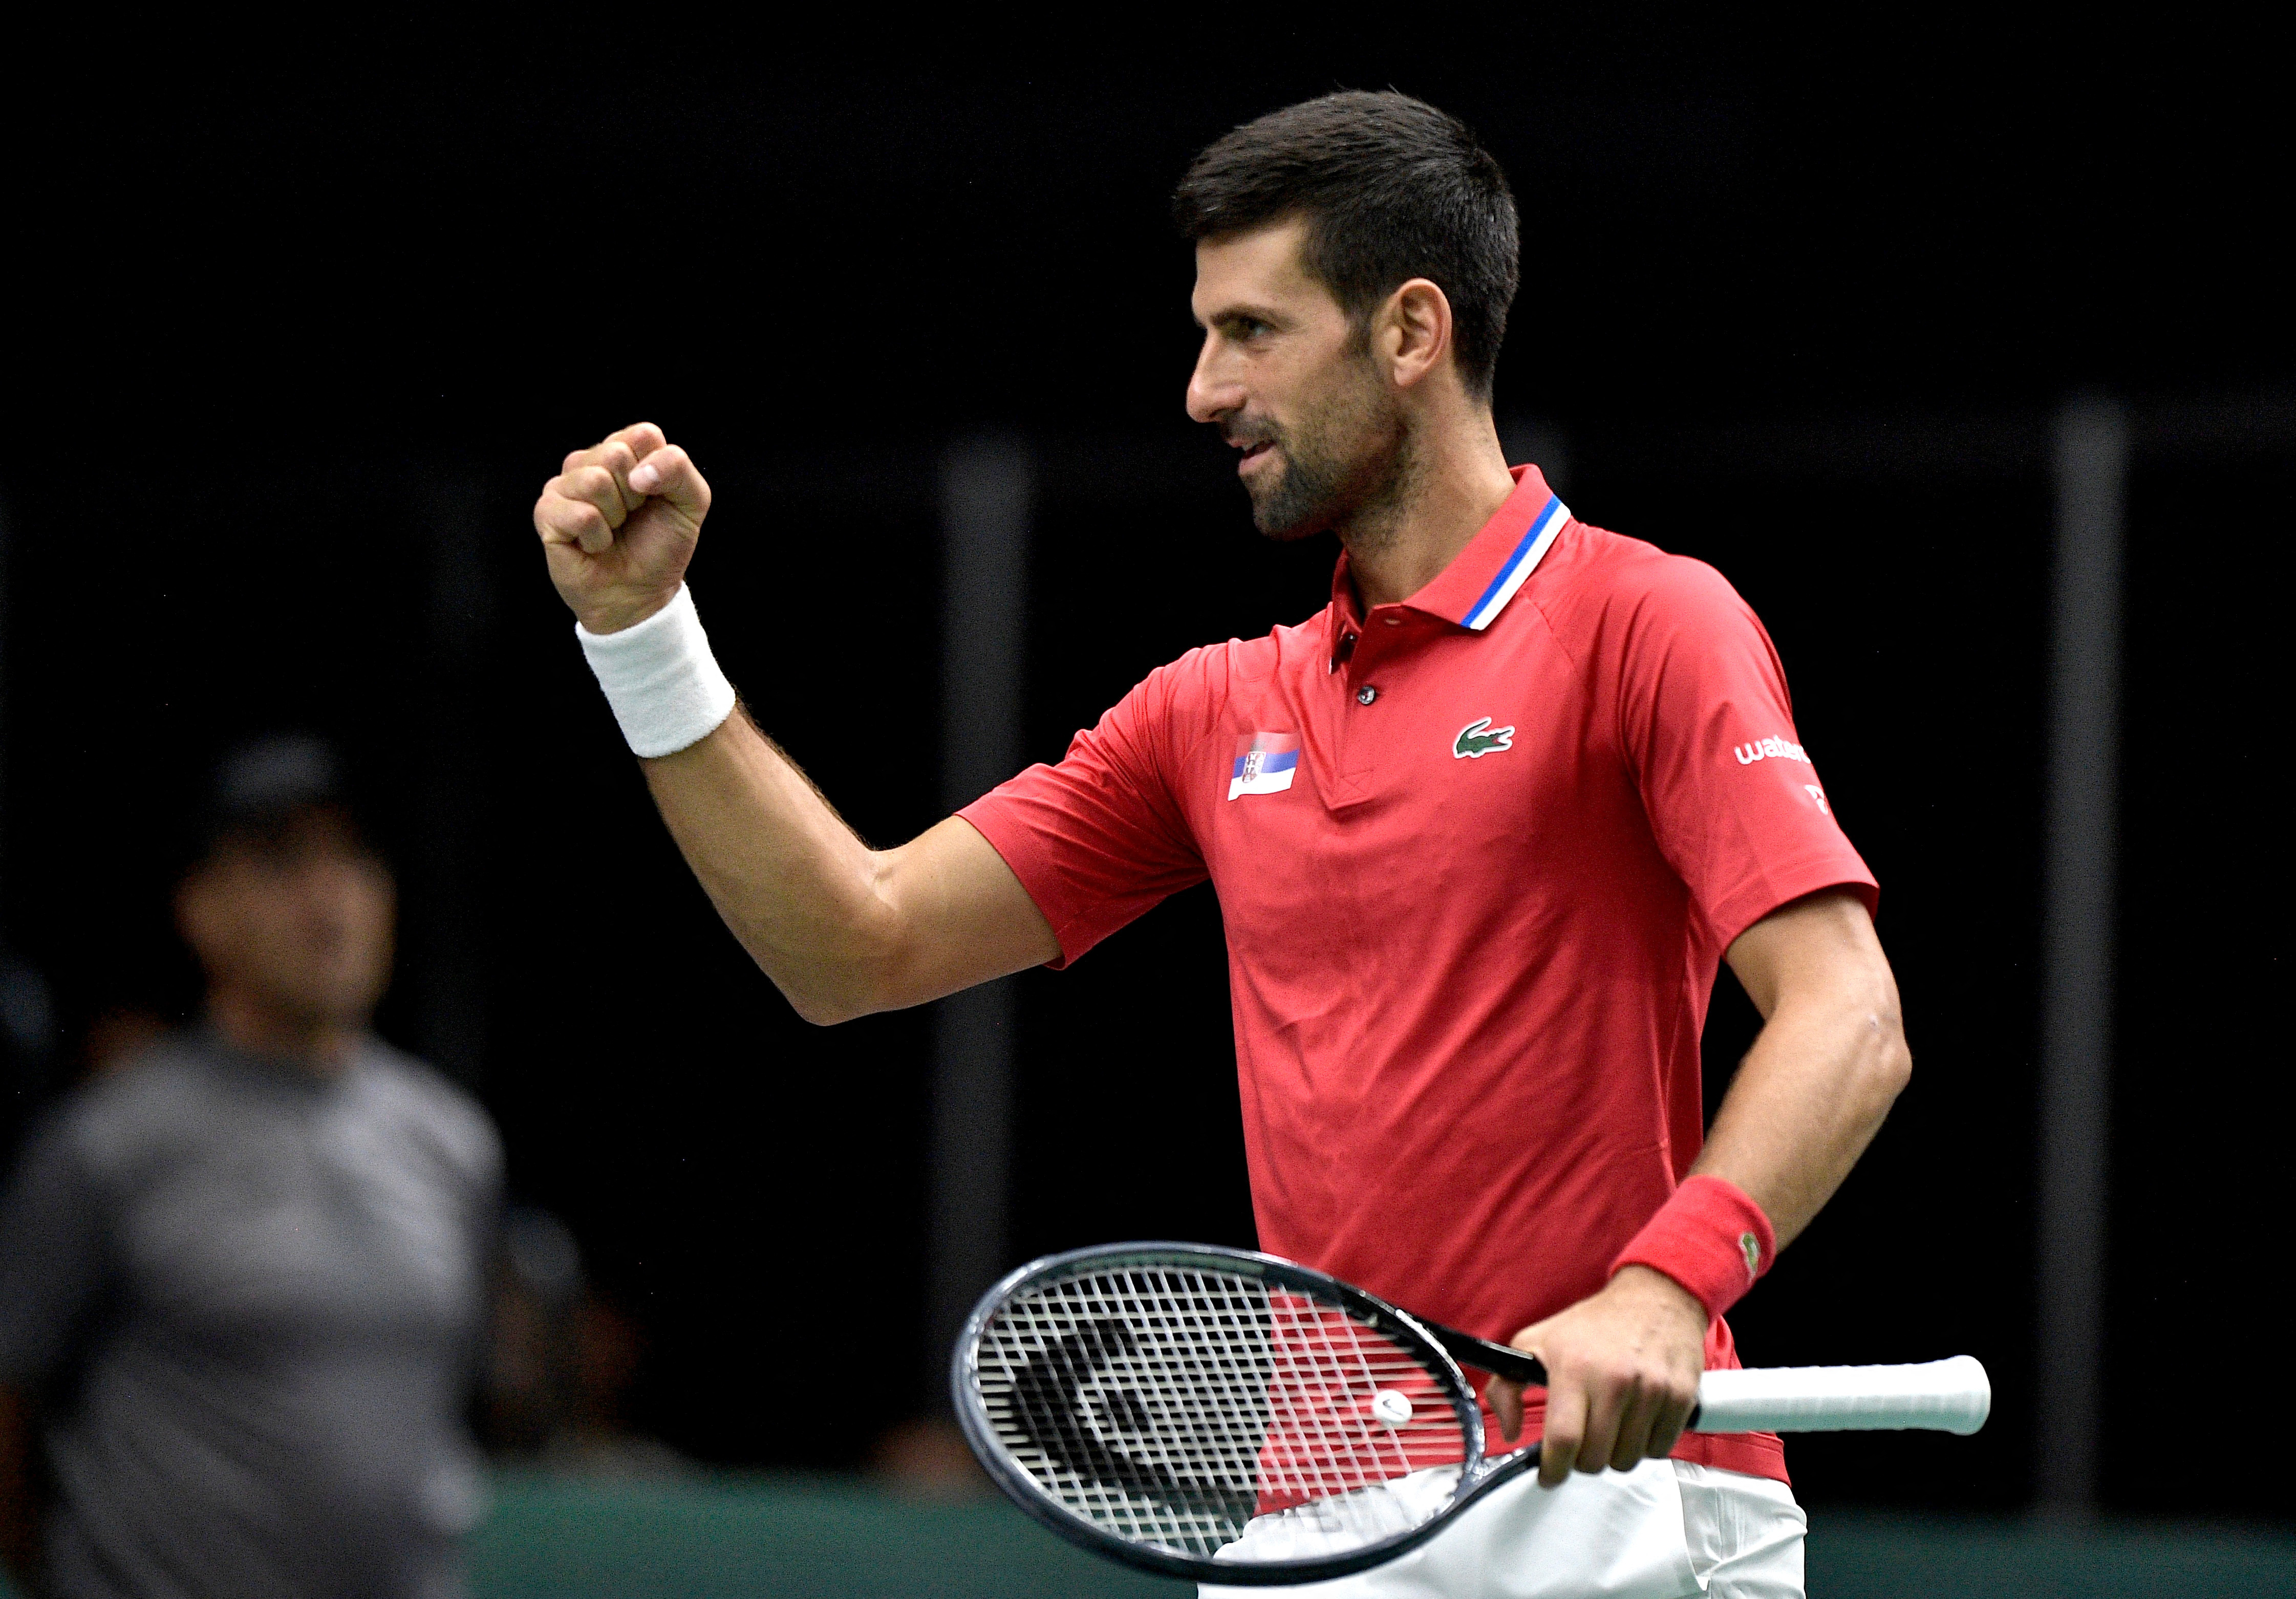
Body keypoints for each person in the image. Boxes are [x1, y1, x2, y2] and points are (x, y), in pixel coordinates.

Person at [530, 92, 1909, 1599]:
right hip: (1311, 1527)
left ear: (1409, 331)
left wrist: (1662, 1289)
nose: (1202, 390)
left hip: (1608, 1501)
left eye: (1250, 331)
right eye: (1202, 335)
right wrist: (642, 637)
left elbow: (1847, 1015)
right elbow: (853, 947)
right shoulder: (1212, 710)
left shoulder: (1646, 622)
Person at [0, 737, 501, 1599]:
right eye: (281, 863)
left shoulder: (453, 1144)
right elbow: (11, 1406)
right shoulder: (110, 1145)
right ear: (202, 909)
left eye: (355, 859)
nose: (329, 899)